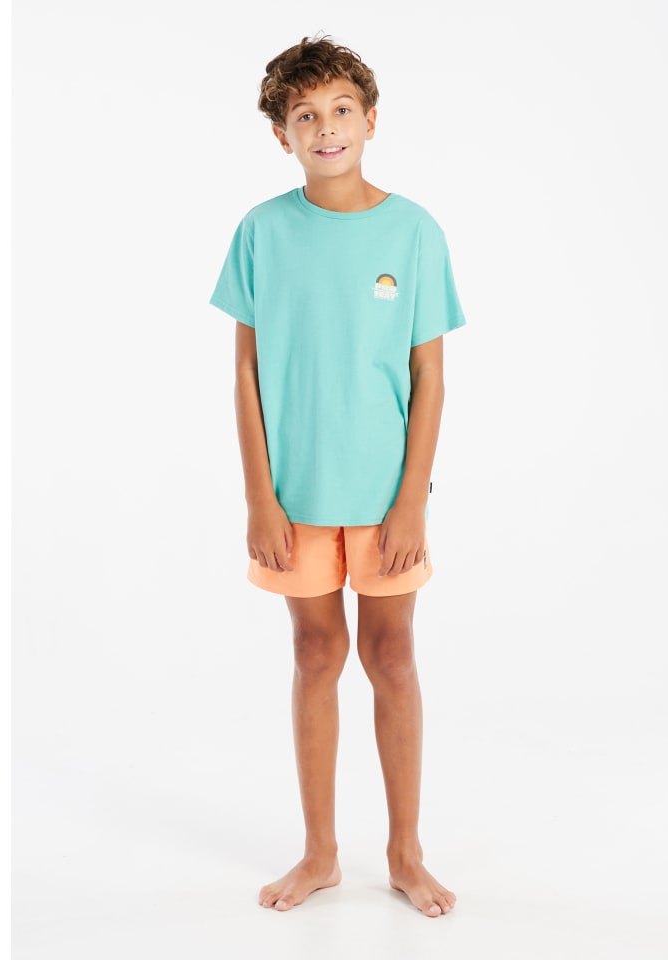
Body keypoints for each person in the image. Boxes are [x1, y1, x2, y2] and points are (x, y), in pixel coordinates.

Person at [209, 34, 466, 918]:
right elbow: (245, 372)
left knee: (390, 655)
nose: (326, 128)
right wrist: (259, 496)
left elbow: (430, 376)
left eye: (341, 110)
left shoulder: (414, 231)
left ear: (371, 120)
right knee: (316, 653)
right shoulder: (262, 232)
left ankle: (405, 852)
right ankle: (319, 853)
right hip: (296, 496)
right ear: (281, 134)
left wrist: (411, 501)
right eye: (306, 115)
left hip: (389, 499)